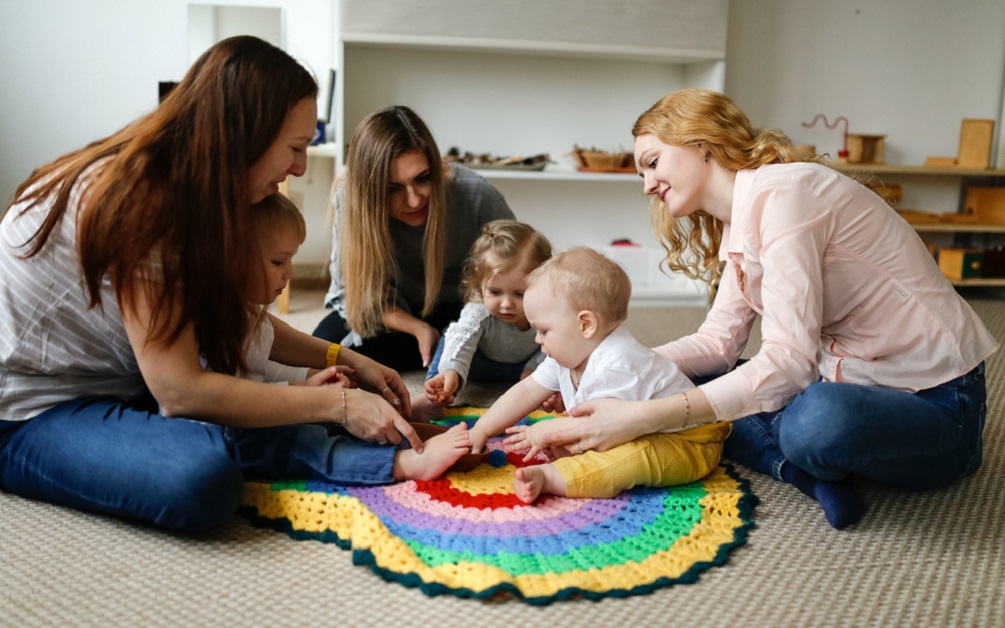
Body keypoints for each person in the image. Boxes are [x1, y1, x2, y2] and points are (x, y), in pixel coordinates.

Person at [0, 36, 470, 533]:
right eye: (294, 148)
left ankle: (375, 440)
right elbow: (181, 391)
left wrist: (347, 359)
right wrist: (338, 403)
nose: (300, 168)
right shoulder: (142, 201)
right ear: (243, 133)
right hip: (31, 412)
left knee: (263, 400)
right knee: (201, 475)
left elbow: (241, 322)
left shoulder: (195, 189)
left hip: (127, 381)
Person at [533, 88, 998, 529]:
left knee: (812, 421)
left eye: (652, 164)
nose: (647, 186)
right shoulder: (739, 221)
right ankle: (803, 475)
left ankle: (807, 452)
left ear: (701, 143)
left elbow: (790, 363)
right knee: (689, 383)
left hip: (935, 400)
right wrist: (608, 369)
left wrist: (640, 415)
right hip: (843, 380)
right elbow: (716, 343)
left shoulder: (785, 195)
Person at [465, 247, 731, 504]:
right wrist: (483, 429)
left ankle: (552, 478)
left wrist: (547, 431)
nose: (537, 340)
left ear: (585, 325)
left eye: (544, 331)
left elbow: (603, 429)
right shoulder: (566, 355)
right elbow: (526, 391)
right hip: (631, 429)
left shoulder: (617, 364)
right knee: (571, 443)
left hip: (689, 442)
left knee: (629, 458)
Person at [312, 105, 515, 372]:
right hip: (392, 317)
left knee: (512, 346)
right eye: (392, 189)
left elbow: (522, 272)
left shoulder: (476, 195)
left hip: (463, 313)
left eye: (423, 179)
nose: (413, 199)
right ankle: (437, 352)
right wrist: (419, 329)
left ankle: (453, 357)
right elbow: (351, 296)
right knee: (320, 350)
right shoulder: (350, 197)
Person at [415, 219, 552, 420]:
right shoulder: (478, 309)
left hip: (521, 367)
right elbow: (463, 339)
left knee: (560, 350)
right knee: (451, 338)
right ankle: (437, 390)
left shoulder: (547, 310)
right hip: (476, 364)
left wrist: (534, 369)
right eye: (495, 292)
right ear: (480, 281)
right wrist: (451, 370)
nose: (506, 304)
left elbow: (554, 345)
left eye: (519, 294)